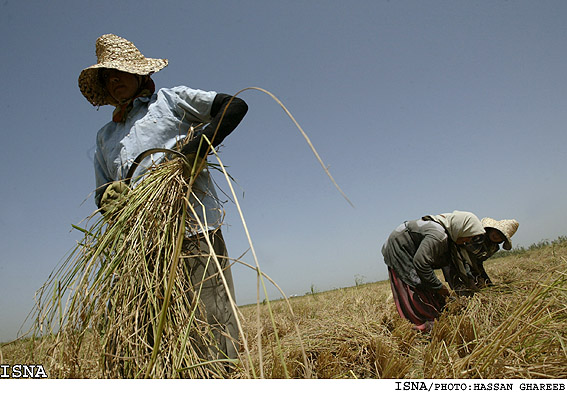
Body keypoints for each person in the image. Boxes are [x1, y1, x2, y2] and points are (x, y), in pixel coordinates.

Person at [78, 34, 248, 362]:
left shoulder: (170, 102)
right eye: (106, 76)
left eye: (119, 70)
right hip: (146, 249)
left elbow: (234, 106)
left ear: (140, 74)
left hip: (195, 232)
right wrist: (113, 201)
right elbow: (103, 194)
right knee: (161, 336)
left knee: (212, 325)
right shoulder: (105, 136)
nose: (113, 79)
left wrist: (195, 148)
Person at [381, 211, 485, 331]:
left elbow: (457, 265)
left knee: (427, 285)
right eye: (468, 236)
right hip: (399, 248)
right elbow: (421, 263)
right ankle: (420, 324)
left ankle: (436, 313)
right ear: (460, 229)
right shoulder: (438, 235)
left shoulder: (451, 236)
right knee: (415, 285)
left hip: (413, 252)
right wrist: (438, 287)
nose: (467, 240)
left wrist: (470, 288)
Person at [447, 217, 519, 291]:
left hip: (472, 265)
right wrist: (471, 277)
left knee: (483, 286)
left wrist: (487, 282)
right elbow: (463, 253)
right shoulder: (477, 235)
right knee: (459, 282)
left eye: (501, 237)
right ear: (492, 229)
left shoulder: (493, 248)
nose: (497, 236)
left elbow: (479, 262)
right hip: (455, 257)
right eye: (497, 233)